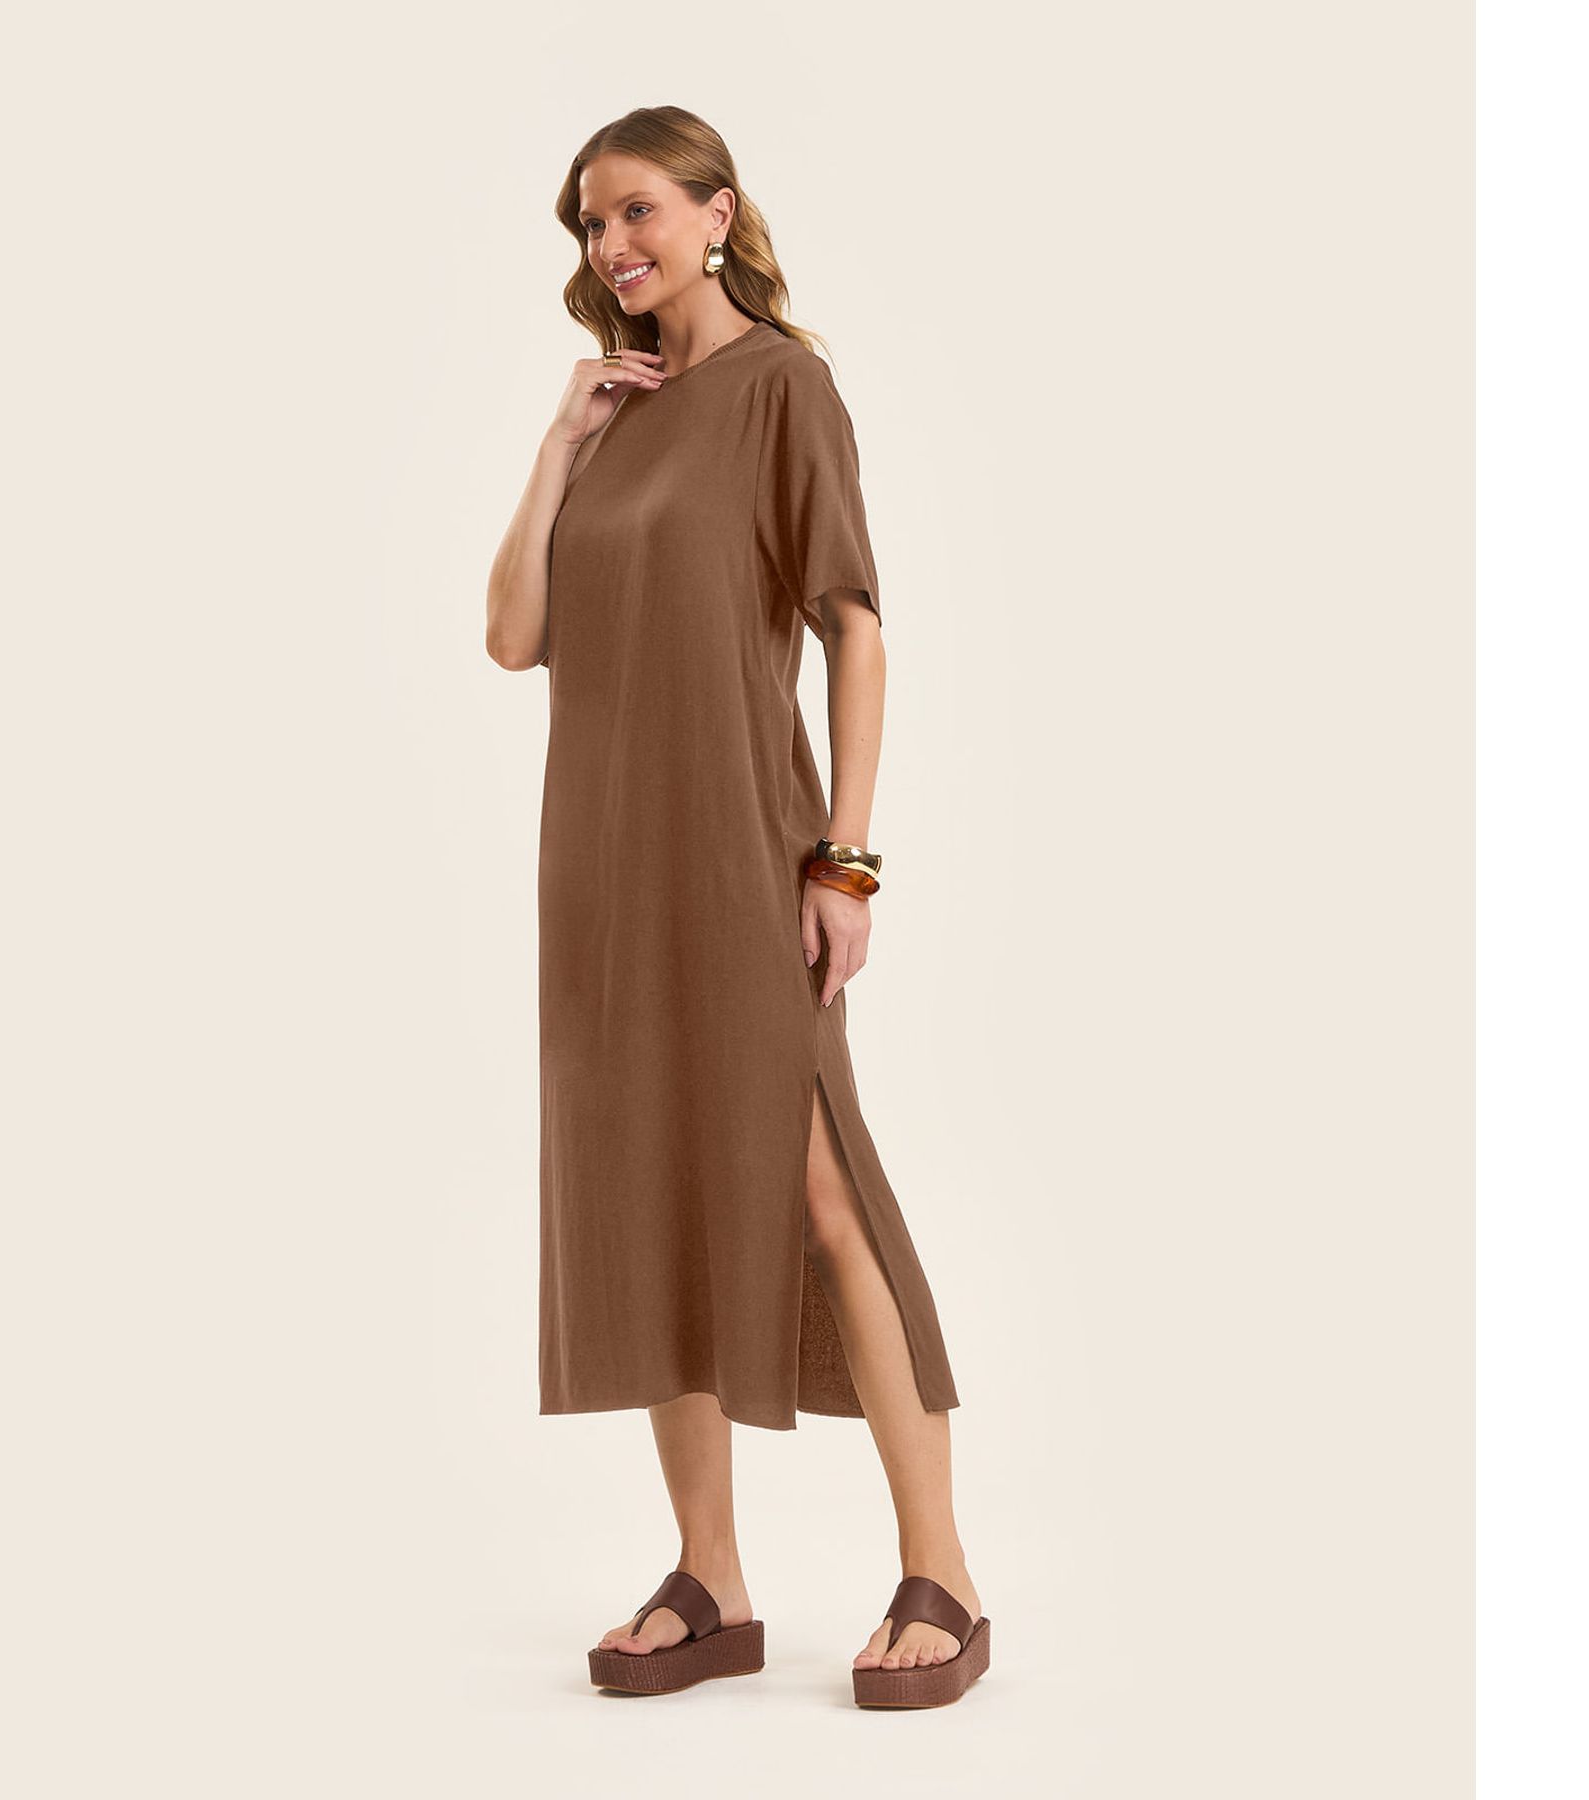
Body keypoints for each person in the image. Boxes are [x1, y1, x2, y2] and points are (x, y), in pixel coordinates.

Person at [485, 107, 989, 1709]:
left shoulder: (784, 389)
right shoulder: (612, 411)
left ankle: (944, 1574)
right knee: (650, 1194)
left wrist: (846, 859)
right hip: (597, 870)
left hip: (739, 854)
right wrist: (560, 441)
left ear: (716, 214)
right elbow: (513, 637)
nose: (610, 244)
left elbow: (855, 626)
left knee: (822, 1192)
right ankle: (711, 1577)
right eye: (589, 223)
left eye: (636, 209)